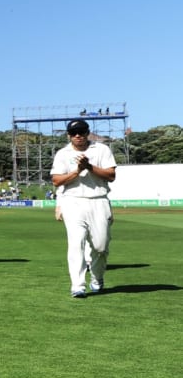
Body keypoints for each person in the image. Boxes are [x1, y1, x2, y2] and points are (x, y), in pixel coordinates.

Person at [50, 118, 116, 298]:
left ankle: (97, 277)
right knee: (76, 243)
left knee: (101, 246)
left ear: (88, 132)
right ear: (68, 135)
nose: (78, 136)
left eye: (82, 132)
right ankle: (77, 285)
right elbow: (56, 180)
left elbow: (111, 175)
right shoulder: (63, 154)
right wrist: (77, 171)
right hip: (73, 201)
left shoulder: (101, 149)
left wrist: (89, 167)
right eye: (73, 133)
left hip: (98, 200)